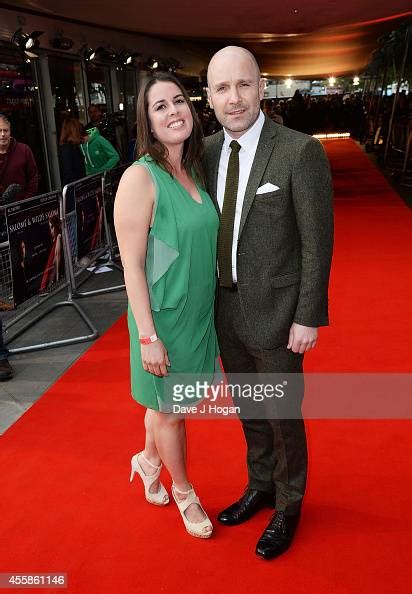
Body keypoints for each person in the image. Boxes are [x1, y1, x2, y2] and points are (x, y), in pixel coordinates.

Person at [204, 46, 334, 559]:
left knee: (283, 414)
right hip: (225, 310)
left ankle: (289, 502)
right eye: (222, 88)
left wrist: (307, 315)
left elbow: (316, 242)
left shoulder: (300, 151)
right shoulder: (206, 151)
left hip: (281, 316)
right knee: (249, 409)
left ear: (262, 87)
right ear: (209, 96)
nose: (233, 98)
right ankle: (260, 486)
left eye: (242, 85)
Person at [114, 73, 219, 539]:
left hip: (199, 313)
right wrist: (148, 337)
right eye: (160, 106)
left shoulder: (193, 168)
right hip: (164, 321)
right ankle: (184, 492)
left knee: (163, 406)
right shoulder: (140, 178)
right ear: (148, 123)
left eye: (179, 101)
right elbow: (132, 268)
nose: (174, 111)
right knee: (172, 411)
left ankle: (148, 459)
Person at [0, 114, 38, 200]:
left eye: (5, 130)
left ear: (10, 132)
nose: (3, 134)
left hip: (24, 206)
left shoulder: (24, 150)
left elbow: (33, 178)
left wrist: (27, 200)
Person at [59, 118, 86, 186]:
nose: (80, 131)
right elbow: (68, 174)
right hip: (74, 189)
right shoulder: (67, 148)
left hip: (78, 187)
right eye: (78, 129)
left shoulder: (74, 146)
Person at [40, 215, 63, 290]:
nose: (51, 231)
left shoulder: (58, 237)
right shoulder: (52, 240)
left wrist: (54, 279)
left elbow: (57, 259)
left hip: (53, 275)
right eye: (49, 228)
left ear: (56, 226)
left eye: (52, 227)